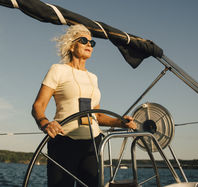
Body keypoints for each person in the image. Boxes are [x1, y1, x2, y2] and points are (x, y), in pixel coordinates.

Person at [32, 24, 137, 187]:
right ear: (71, 45)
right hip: (64, 142)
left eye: (92, 43)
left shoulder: (93, 77)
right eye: (84, 41)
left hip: (93, 145)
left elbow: (97, 116)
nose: (89, 44)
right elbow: (38, 106)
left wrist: (120, 122)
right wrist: (45, 123)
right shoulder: (57, 70)